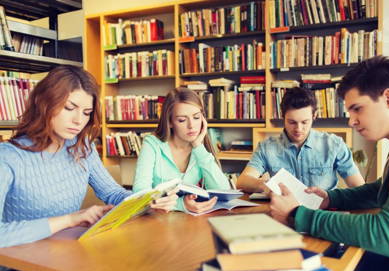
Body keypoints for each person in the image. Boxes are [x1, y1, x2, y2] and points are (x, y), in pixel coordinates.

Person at [0, 65, 178, 249]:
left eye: (86, 113)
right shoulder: (7, 157)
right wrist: (69, 220)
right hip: (23, 264)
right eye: (69, 108)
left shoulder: (82, 147)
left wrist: (148, 203)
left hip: (68, 253)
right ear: (44, 103)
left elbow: (113, 193)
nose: (79, 120)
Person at [270, 56, 389, 271]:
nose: (351, 121)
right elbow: (382, 188)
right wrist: (331, 198)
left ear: (388, 98)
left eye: (357, 109)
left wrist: (297, 214)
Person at [236, 87, 364, 193]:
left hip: (323, 214)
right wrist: (266, 186)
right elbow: (242, 181)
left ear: (314, 116)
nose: (298, 129)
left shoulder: (334, 145)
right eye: (292, 122)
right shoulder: (267, 147)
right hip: (283, 214)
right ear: (283, 117)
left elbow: (359, 188)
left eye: (304, 122)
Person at [132, 87, 230, 214]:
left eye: (196, 117)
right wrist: (181, 204)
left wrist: (198, 147)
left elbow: (223, 191)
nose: (191, 125)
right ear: (170, 122)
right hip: (157, 222)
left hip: (190, 223)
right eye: (182, 120)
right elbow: (140, 194)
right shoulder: (152, 144)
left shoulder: (200, 149)